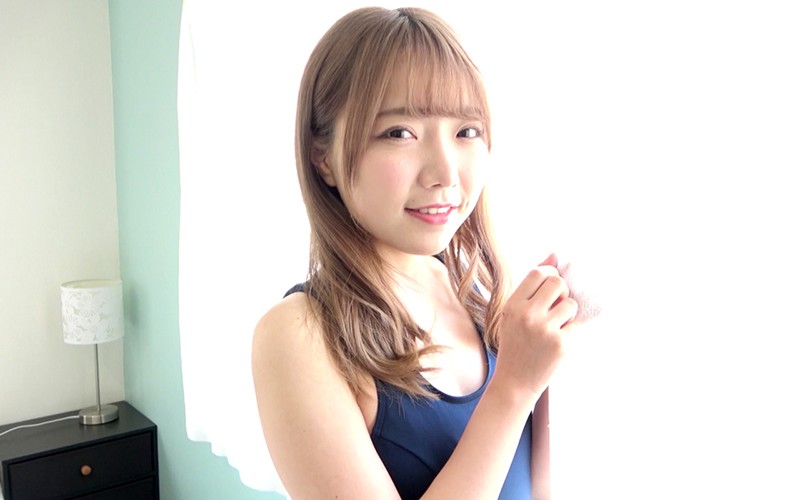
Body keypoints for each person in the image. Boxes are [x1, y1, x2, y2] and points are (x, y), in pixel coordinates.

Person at [252, 6, 580, 499]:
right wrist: (514, 387)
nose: (445, 173)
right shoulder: (299, 333)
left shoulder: (478, 293)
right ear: (324, 159)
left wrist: (549, 369)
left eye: (466, 132)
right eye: (399, 133)